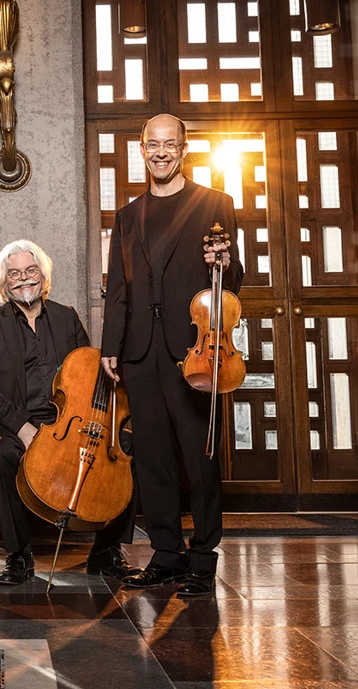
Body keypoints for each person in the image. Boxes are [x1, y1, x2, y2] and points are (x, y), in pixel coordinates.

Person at [100, 114, 242, 597]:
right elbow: (118, 289)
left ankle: (202, 557)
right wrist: (111, 346)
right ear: (142, 149)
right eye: (152, 144)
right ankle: (166, 554)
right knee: (153, 459)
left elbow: (231, 281)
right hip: (140, 351)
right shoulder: (128, 215)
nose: (160, 152)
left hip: (195, 350)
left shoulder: (215, 204)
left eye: (170, 144)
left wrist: (224, 264)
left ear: (184, 149)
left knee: (200, 458)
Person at [0, 240, 141, 585]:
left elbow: (89, 373)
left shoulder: (67, 317)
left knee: (128, 448)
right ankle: (19, 556)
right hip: (11, 422)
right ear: (3, 283)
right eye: (14, 273)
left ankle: (105, 552)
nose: (24, 278)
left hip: (66, 422)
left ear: (43, 277)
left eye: (31, 270)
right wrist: (23, 427)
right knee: (0, 456)